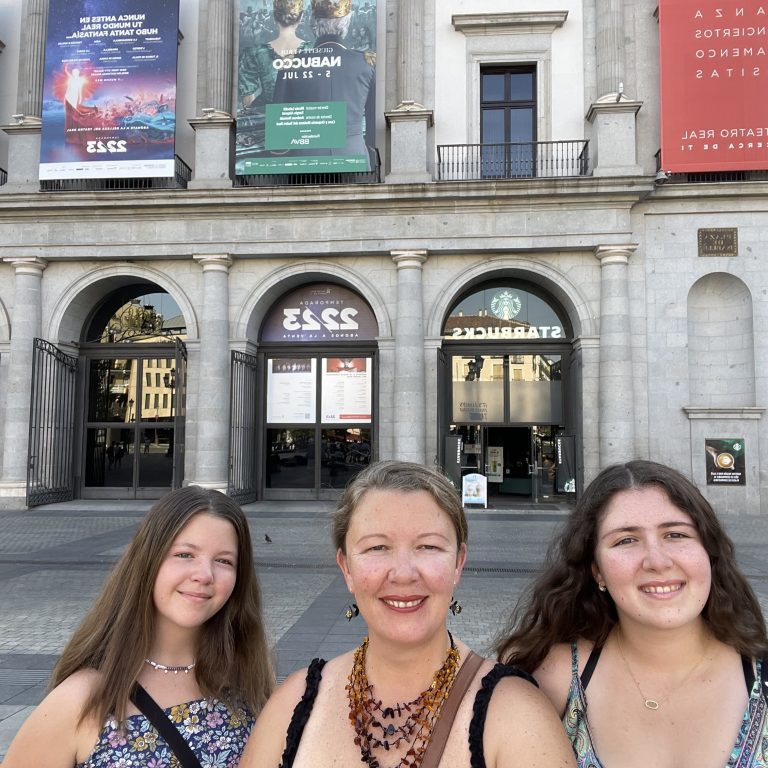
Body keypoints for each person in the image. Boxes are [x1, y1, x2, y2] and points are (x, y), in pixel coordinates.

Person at [241, 460, 574, 768]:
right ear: (346, 568)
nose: (403, 574)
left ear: (458, 563)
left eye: (428, 546)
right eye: (377, 548)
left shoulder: (518, 717)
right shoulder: (292, 705)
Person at [495, 459, 768, 768]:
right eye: (626, 540)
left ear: (708, 550)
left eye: (676, 535)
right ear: (596, 570)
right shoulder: (550, 681)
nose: (657, 561)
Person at [3, 486, 274, 768]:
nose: (205, 575)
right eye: (185, 555)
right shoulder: (83, 698)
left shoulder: (248, 680)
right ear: (148, 560)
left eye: (224, 561)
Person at [271, 0, 376, 169]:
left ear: (314, 25)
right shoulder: (365, 62)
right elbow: (373, 131)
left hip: (306, 163)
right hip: (353, 158)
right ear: (346, 23)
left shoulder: (291, 63)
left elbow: (279, 144)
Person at [237, 0, 311, 153]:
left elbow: (248, 101)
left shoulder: (254, 52)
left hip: (267, 128)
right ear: (301, 17)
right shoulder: (314, 50)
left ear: (274, 17)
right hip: (307, 128)